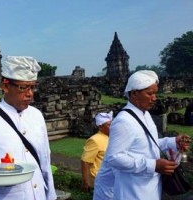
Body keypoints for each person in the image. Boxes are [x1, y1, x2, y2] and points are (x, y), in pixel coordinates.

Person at [93, 70, 191, 200]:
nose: (154, 98)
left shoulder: (144, 114)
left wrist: (173, 142)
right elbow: (115, 158)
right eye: (150, 93)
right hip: (132, 189)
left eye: (155, 93)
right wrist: (153, 165)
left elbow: (145, 144)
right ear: (134, 93)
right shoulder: (124, 121)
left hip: (148, 185)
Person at [0, 56, 57, 199]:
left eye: (32, 87)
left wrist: (51, 195)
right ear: (5, 86)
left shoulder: (36, 116)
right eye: (23, 87)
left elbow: (45, 160)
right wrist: (1, 181)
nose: (30, 93)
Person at [81, 111, 112, 192]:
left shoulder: (111, 138)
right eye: (109, 125)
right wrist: (85, 182)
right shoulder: (95, 140)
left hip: (109, 179)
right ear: (100, 127)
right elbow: (85, 161)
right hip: (98, 180)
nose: (112, 127)